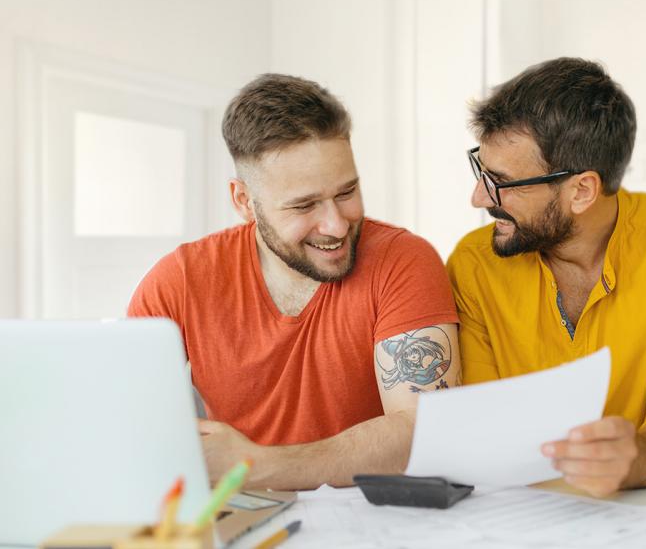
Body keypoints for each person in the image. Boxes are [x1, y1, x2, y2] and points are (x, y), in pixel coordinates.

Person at [129, 73, 460, 490]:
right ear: (244, 201)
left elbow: (425, 432)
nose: (336, 225)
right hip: (243, 513)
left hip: (375, 514)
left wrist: (256, 466)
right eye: (304, 205)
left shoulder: (403, 260)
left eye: (346, 192)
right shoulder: (179, 281)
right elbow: (126, 421)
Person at [447, 57, 646, 497]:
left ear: (582, 190)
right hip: (513, 509)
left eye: (501, 182)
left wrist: (633, 459)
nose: (479, 198)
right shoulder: (474, 264)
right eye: (481, 170)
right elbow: (482, 420)